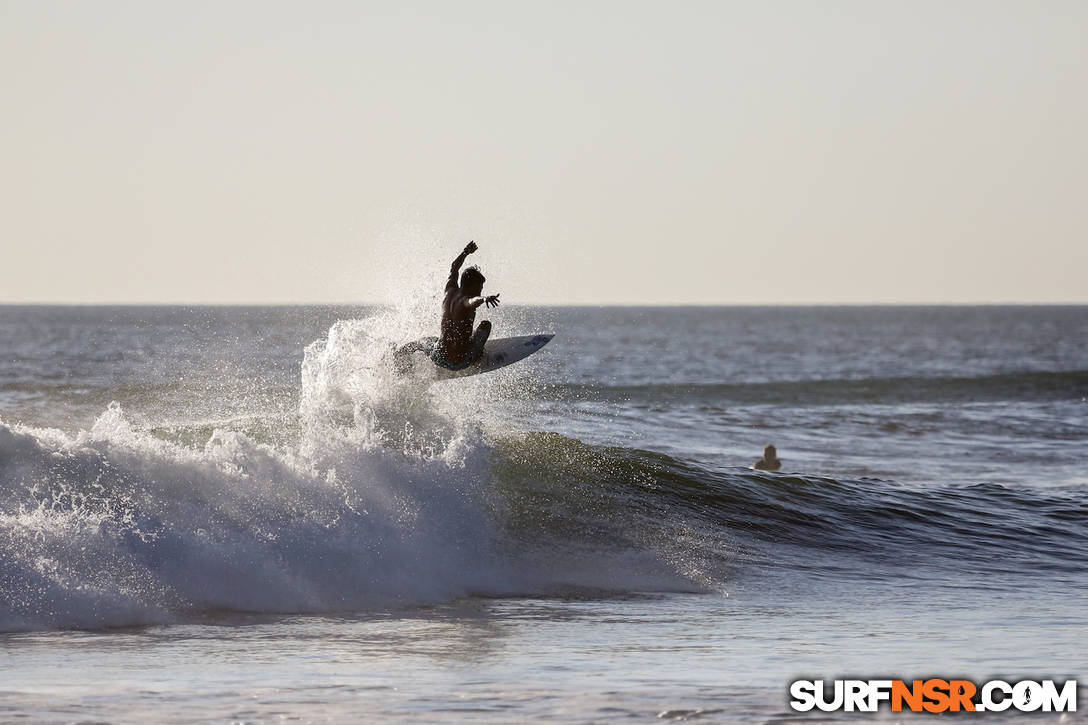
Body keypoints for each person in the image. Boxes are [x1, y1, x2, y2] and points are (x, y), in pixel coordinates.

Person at [394, 241, 500, 372]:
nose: (480, 290)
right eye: (480, 287)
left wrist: (465, 252)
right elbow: (472, 301)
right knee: (485, 324)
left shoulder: (449, 290)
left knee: (424, 342)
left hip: (438, 356)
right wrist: (484, 298)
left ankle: (399, 356)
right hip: (462, 361)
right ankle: (478, 355)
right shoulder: (465, 300)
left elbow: (454, 267)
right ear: (472, 286)